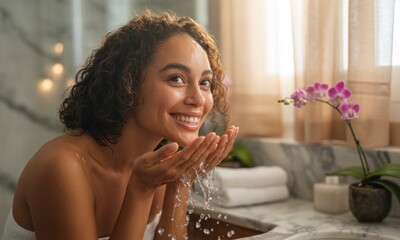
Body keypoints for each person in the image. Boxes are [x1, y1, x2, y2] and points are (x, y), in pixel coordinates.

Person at [1, 10, 238, 240]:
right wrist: (141, 189)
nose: (198, 99)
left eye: (205, 82)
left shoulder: (160, 164)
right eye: (176, 78)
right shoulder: (63, 167)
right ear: (128, 83)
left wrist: (181, 179)